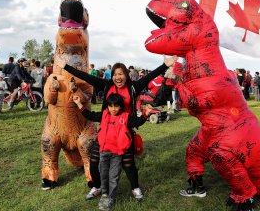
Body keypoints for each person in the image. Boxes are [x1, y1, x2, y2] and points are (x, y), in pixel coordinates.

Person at [55, 55, 177, 201]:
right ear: (111, 76)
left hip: (124, 132)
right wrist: (66, 67)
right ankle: (97, 186)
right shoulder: (107, 86)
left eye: (121, 74)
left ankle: (135, 188)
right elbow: (86, 77)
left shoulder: (133, 87)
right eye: (115, 74)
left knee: (128, 163)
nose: (118, 77)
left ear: (126, 75)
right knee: (94, 160)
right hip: (106, 132)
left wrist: (165, 65)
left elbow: (149, 76)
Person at [72, 93, 152, 210]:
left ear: (121, 107)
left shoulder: (125, 117)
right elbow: (90, 115)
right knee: (102, 173)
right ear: (107, 106)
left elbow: (137, 122)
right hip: (104, 151)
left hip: (118, 152)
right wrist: (79, 103)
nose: (113, 109)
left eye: (116, 106)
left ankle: (116, 195)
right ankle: (102, 192)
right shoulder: (104, 115)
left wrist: (146, 113)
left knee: (114, 175)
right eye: (111, 106)